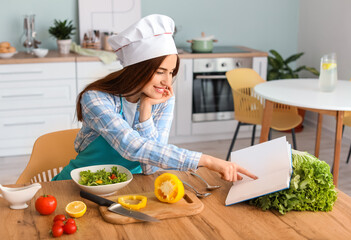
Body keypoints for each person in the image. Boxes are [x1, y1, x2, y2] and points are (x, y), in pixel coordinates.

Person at [52, 14, 257, 182]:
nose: (167, 82)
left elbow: (150, 166)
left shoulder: (162, 98)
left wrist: (146, 110)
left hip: (124, 188)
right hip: (74, 185)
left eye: (171, 73)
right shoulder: (96, 99)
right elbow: (131, 146)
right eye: (160, 72)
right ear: (138, 70)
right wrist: (208, 161)